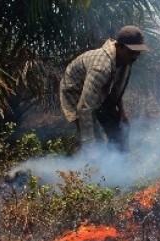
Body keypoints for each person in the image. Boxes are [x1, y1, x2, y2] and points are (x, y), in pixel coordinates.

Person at [59, 25, 149, 153]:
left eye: (138, 52)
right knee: (97, 143)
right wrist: (90, 146)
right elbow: (84, 108)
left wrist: (122, 113)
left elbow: (117, 89)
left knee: (119, 133)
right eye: (131, 51)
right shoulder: (101, 67)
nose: (135, 56)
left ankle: (120, 164)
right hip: (75, 90)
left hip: (99, 90)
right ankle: (89, 164)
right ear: (119, 47)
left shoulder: (126, 59)